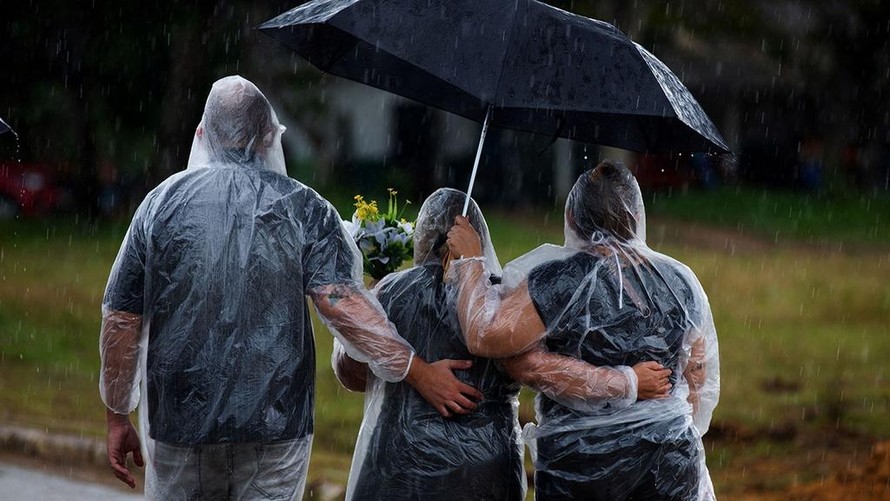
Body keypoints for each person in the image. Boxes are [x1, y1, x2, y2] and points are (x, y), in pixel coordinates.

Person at [98, 75, 481, 500]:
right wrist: (419, 371)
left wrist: (118, 414)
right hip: (276, 425)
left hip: (180, 423)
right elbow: (342, 304)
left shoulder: (160, 206)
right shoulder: (304, 208)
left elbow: (121, 319)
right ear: (267, 137)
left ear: (203, 134)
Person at [333, 188, 672, 500]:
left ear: (421, 235)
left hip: (392, 470)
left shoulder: (389, 293)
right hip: (483, 473)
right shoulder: (502, 302)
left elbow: (351, 375)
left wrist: (389, 337)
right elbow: (531, 368)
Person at [446, 160, 720, 500]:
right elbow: (695, 380)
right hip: (670, 464)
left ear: (572, 218)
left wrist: (471, 261)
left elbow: (486, 336)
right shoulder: (680, 281)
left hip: (581, 467)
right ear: (636, 218)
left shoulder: (559, 280)